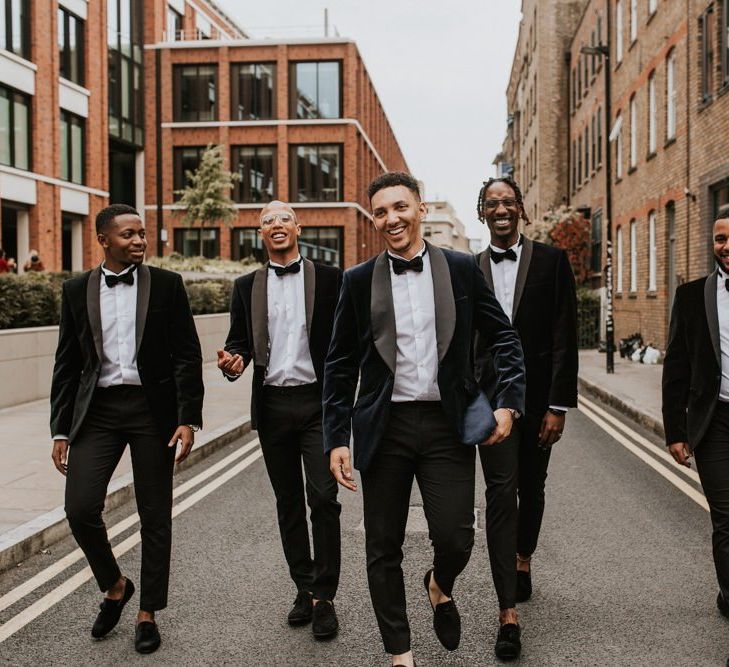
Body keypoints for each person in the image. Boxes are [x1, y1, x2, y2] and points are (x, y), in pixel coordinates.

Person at [323, 172, 525, 666]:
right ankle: (400, 652)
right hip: (383, 427)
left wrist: (507, 401)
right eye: (381, 212)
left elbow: (504, 338)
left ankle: (439, 582)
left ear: (419, 207)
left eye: (400, 207)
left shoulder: (458, 269)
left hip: (445, 423)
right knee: (382, 544)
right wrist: (337, 438)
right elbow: (339, 364)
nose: (391, 219)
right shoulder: (356, 280)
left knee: (457, 535)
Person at [50, 204, 203, 654]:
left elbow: (186, 354)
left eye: (142, 234)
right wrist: (60, 429)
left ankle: (147, 612)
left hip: (150, 411)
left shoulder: (167, 286)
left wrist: (187, 416)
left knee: (154, 513)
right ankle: (116, 586)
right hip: (96, 411)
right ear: (104, 240)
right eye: (129, 235)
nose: (139, 241)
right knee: (79, 508)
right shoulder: (77, 290)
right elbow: (68, 363)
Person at [218, 200, 343, 639]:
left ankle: (325, 595)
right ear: (260, 233)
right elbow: (239, 344)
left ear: (298, 227)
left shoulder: (330, 279)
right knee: (288, 503)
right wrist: (232, 362)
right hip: (272, 405)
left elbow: (346, 344)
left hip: (317, 405)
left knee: (323, 499)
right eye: (267, 220)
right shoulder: (245, 286)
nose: (276, 224)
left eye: (283, 218)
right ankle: (304, 588)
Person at [474, 176, 578, 632]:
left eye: (508, 202)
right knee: (500, 491)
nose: (501, 209)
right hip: (488, 400)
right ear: (482, 212)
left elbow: (564, 335)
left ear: (521, 209)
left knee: (531, 487)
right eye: (492, 203)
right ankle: (505, 604)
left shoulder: (553, 262)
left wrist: (559, 404)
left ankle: (522, 558)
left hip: (538, 398)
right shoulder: (468, 266)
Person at [663, 205, 729, 621]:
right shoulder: (691, 297)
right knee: (725, 519)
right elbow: (676, 368)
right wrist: (676, 430)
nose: (727, 247)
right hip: (715, 422)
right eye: (721, 238)